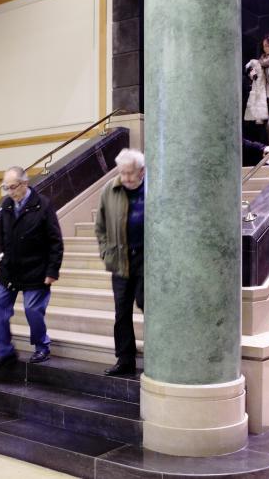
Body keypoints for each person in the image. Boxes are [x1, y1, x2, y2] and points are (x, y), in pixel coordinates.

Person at [0, 166, 63, 373]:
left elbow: (55, 241)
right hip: (10, 269)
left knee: (32, 310)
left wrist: (52, 271)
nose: (10, 192)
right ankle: (6, 352)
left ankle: (42, 346)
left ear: (24, 184)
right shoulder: (7, 205)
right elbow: (3, 237)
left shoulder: (43, 205)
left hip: (36, 269)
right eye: (6, 188)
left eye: (13, 187)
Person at [95, 149, 146, 376]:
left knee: (149, 308)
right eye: (122, 173)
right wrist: (106, 252)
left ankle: (159, 357)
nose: (125, 178)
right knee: (121, 312)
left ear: (142, 171)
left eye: (130, 174)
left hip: (148, 260)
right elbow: (101, 227)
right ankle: (125, 360)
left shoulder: (154, 188)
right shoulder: (110, 189)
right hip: (121, 260)